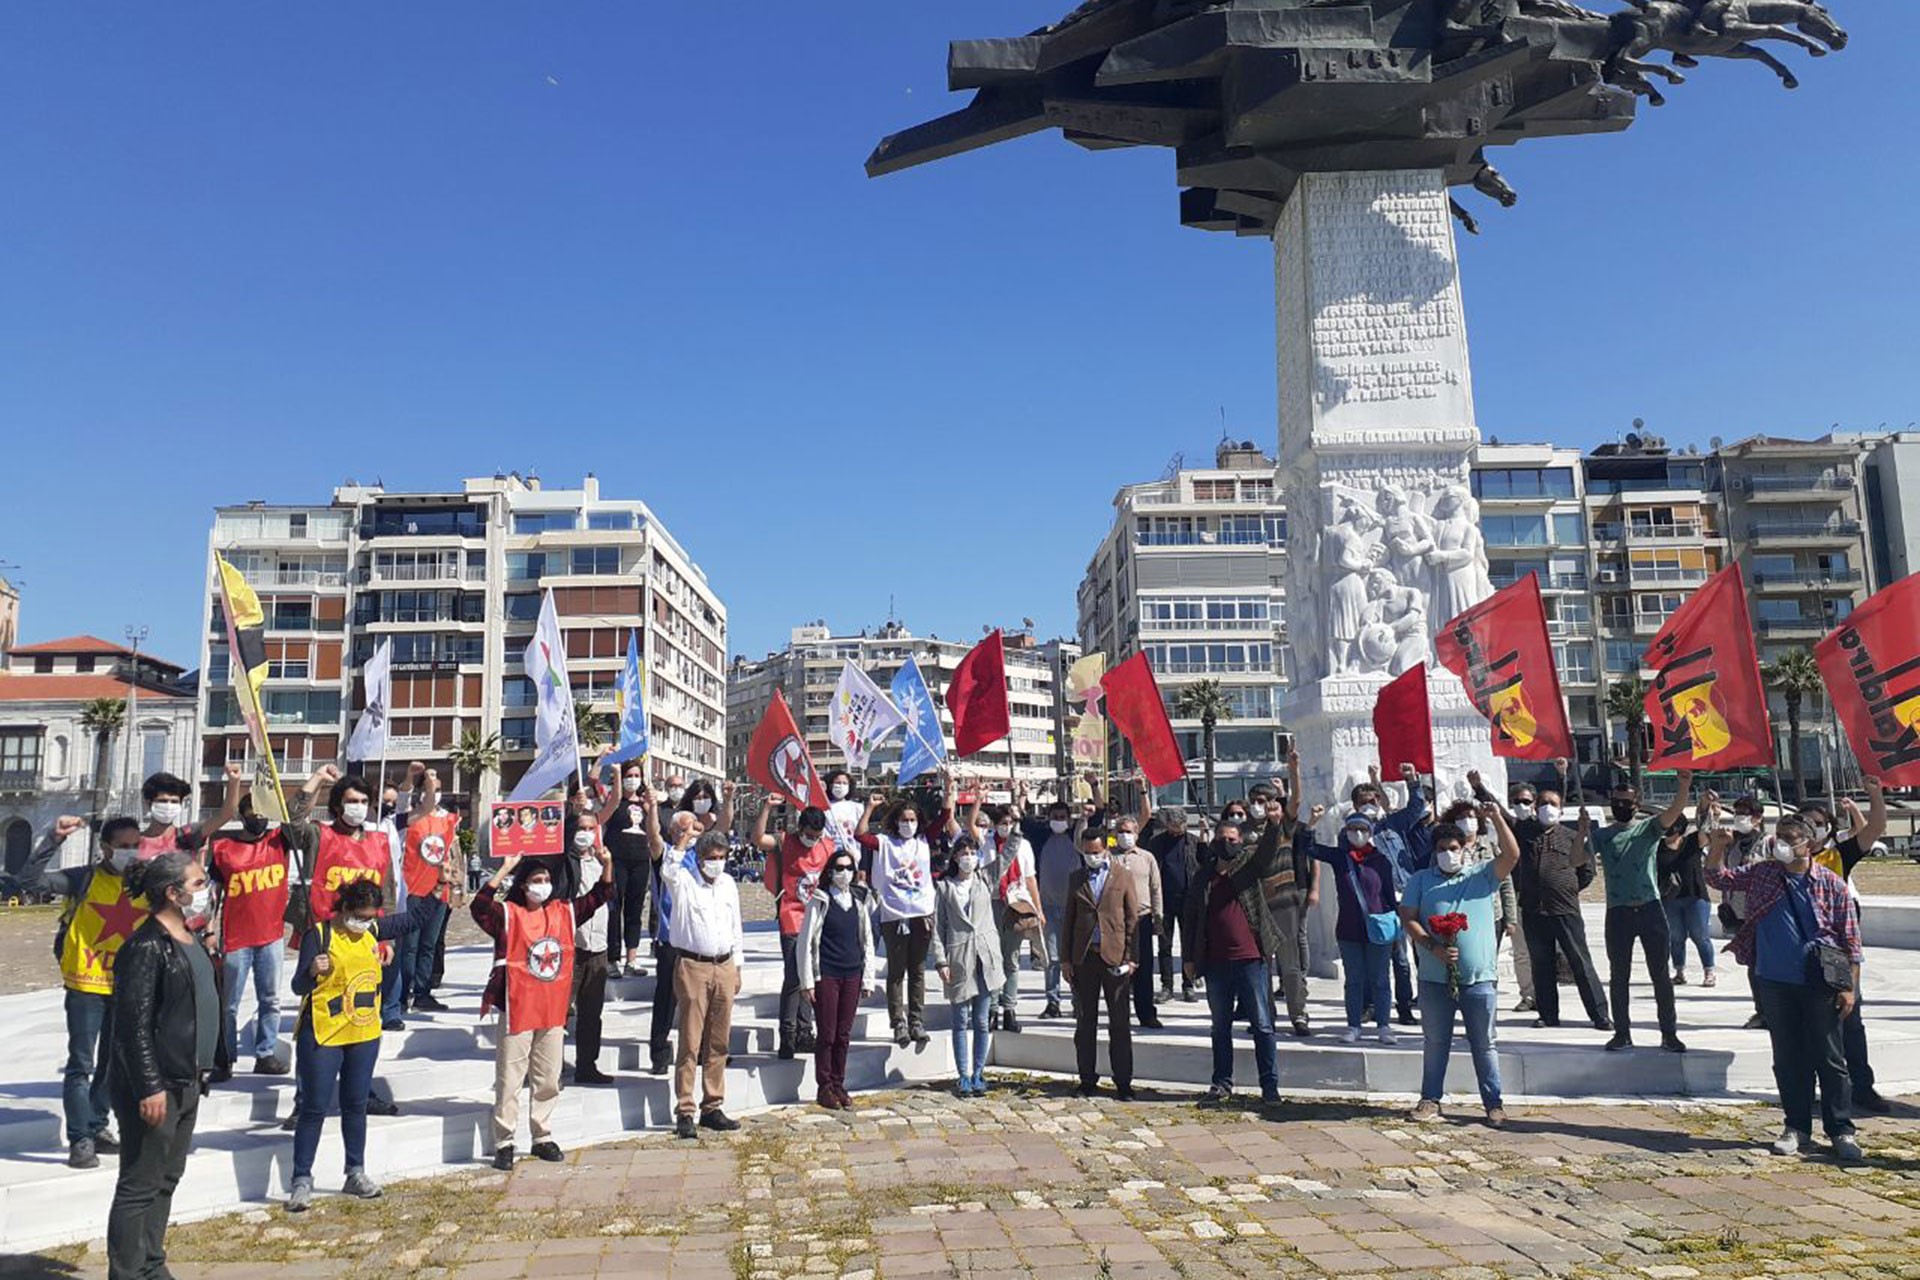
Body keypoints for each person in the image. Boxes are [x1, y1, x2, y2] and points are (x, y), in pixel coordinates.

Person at [1704, 816, 1863, 1162]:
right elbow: (1717, 878)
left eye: (1790, 838)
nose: (1782, 844)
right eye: (1779, 838)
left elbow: (1851, 941)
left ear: (1809, 844)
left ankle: (1841, 1129)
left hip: (1819, 982)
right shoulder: (1764, 874)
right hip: (1774, 980)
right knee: (1788, 1057)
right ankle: (1797, 1126)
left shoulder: (1830, 884)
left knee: (1830, 1058)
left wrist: (1849, 987)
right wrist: (1717, 847)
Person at [287, 873, 444, 1211]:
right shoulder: (320, 935)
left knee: (355, 1103)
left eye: (371, 917)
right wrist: (312, 970)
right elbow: (298, 986)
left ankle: (355, 1171)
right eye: (360, 915)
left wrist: (438, 888)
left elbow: (413, 919)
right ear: (345, 908)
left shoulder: (373, 931)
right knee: (314, 1107)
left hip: (363, 1032)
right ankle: (301, 1178)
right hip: (324, 1032)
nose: (365, 922)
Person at [105, 852, 216, 1280]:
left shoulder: (189, 937)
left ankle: (152, 1263)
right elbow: (132, 1025)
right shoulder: (146, 945)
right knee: (139, 1183)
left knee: (167, 1177)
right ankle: (128, 1271)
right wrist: (149, 1086)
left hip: (188, 1079)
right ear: (173, 893)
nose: (205, 891)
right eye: (198, 883)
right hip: (157, 1086)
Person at [471, 846, 615, 1169]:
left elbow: (599, 896)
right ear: (523, 885)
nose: (542, 884)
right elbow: (479, 907)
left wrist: (607, 864)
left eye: (546, 879)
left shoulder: (562, 912)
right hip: (518, 1006)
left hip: (552, 1009)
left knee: (548, 1076)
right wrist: (505, 869)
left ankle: (542, 1134)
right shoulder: (507, 915)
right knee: (510, 1076)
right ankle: (504, 1140)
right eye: (536, 879)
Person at [22, 813, 141, 1169]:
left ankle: (98, 1124)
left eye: (136, 846)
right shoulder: (83, 878)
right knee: (81, 1064)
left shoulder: (144, 881)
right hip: (86, 984)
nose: (131, 853)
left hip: (126, 986)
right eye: (123, 847)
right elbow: (29, 880)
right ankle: (80, 1139)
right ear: (105, 848)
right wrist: (52, 841)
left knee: (111, 1063)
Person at [1400, 804, 1522, 1128]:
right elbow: (1408, 918)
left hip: (1478, 978)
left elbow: (1511, 856)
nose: (1447, 854)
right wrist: (1431, 946)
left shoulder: (1481, 875)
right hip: (1434, 978)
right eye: (1441, 850)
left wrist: (1495, 818)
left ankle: (1493, 1104)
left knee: (1484, 1043)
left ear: (1464, 848)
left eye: (1453, 849)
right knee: (1436, 1042)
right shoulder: (1421, 880)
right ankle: (1430, 1099)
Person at [209, 775, 325, 1077]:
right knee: (228, 1003)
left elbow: (298, 814)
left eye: (262, 814)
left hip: (270, 935)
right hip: (235, 938)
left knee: (270, 999)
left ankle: (266, 1052)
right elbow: (213, 895)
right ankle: (224, 1057)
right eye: (252, 814)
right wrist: (209, 928)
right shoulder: (223, 849)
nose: (257, 819)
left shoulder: (279, 841)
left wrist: (318, 783)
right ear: (242, 816)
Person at [1183, 815, 1285, 1105]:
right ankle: (1221, 1083)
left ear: (1241, 842)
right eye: (1222, 838)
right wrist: (1189, 958)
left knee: (1262, 1025)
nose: (1227, 843)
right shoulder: (1203, 876)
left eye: (1233, 839)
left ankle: (1270, 1087)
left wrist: (1275, 825)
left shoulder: (1247, 869)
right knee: (1220, 1027)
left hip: (1251, 959)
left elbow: (1266, 853)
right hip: (1215, 962)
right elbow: (1191, 918)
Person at [1807, 778, 1892, 1114]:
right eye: (1805, 824)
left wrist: (1873, 794)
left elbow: (1876, 828)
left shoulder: (1838, 855)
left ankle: (1862, 1087)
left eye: (1817, 825)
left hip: (1836, 953)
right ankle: (1812, 1088)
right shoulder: (1780, 858)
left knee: (1850, 1021)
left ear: (1828, 830)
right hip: (1798, 951)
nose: (1810, 831)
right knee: (1805, 1024)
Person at [1591, 774, 1691, 1053]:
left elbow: (1673, 813)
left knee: (1660, 974)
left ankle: (1669, 1033)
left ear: (1637, 804)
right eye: (1617, 802)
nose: (1621, 806)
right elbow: (1577, 859)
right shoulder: (1602, 835)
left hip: (1650, 908)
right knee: (1618, 974)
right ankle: (1622, 1032)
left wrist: (1683, 787)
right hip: (1618, 911)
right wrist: (1582, 832)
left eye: (1627, 802)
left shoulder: (1648, 829)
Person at [1506, 783, 1609, 1031]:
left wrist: (1566, 888)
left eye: (1552, 804)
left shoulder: (1572, 837)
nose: (1546, 808)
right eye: (1542, 804)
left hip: (1565, 909)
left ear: (1561, 811)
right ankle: (1547, 1014)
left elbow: (1586, 872)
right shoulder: (1525, 833)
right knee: (1541, 964)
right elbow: (1502, 816)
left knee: (1580, 962)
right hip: (1533, 910)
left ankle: (1600, 1015)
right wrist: (1480, 789)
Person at [663, 831, 746, 1139]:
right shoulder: (684, 881)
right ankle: (685, 1109)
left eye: (721, 858)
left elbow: (735, 925)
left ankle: (712, 1105)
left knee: (719, 1040)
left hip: (723, 964)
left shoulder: (728, 884)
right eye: (711, 858)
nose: (717, 864)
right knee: (690, 1040)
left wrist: (737, 966)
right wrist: (682, 843)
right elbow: (667, 871)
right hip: (693, 965)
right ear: (699, 860)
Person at [1306, 809, 1401, 1045]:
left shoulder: (1380, 860)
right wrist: (1312, 824)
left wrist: (1395, 926)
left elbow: (1389, 894)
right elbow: (1309, 848)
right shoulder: (1341, 858)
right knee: (1354, 980)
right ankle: (1353, 1025)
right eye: (1353, 829)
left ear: (1369, 832)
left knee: (1380, 979)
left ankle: (1384, 1025)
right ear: (1345, 832)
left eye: (1362, 829)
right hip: (1349, 929)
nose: (1358, 834)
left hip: (1378, 929)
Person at [1060, 827, 1142, 1099]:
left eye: (1096, 852)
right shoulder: (1075, 878)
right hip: (1085, 957)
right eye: (1087, 853)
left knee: (1119, 1022)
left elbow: (1132, 919)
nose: (1092, 857)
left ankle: (1123, 1081)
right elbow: (1068, 921)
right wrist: (1066, 959)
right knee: (1085, 1022)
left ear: (1105, 849)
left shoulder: (1122, 875)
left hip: (1115, 956)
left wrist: (1131, 958)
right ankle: (1086, 1078)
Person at [752, 795, 834, 1059]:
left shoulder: (828, 847)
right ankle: (787, 1034)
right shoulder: (785, 842)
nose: (813, 839)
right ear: (800, 829)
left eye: (817, 834)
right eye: (809, 834)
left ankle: (805, 1031)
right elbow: (758, 839)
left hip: (819, 922)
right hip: (792, 916)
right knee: (793, 978)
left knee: (812, 978)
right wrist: (767, 808)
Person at [796, 847, 877, 1110]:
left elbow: (867, 941)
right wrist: (807, 980)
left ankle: (839, 1083)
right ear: (830, 871)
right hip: (827, 974)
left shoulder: (858, 901)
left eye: (848, 868)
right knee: (827, 1034)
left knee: (843, 1034)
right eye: (839, 868)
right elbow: (806, 943)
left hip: (852, 973)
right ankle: (825, 1086)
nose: (844, 873)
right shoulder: (820, 901)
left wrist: (868, 978)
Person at [1349, 764, 1427, 1026]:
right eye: (1364, 802)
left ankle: (1405, 1007)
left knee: (1402, 960)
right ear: (1356, 806)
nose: (1370, 804)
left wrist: (1412, 780)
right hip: (1374, 904)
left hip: (1403, 898)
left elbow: (1416, 807)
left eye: (1374, 800)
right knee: (1374, 960)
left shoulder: (1392, 824)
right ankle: (1370, 1006)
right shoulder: (1352, 834)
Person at [857, 793, 936, 1049]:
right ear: (896, 822)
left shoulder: (923, 841)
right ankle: (898, 1023)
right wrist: (870, 808)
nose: (909, 824)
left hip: (921, 914)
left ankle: (916, 1021)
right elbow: (860, 836)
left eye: (913, 820)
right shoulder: (886, 843)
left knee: (918, 970)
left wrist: (949, 791)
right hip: (894, 915)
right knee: (896, 971)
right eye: (904, 820)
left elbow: (945, 817)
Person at [931, 833, 1004, 1098]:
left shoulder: (985, 878)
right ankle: (963, 1075)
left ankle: (978, 1072)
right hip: (959, 957)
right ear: (955, 857)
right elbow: (938, 927)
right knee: (960, 1020)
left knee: (982, 1021)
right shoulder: (944, 887)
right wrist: (940, 961)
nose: (968, 858)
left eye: (973, 853)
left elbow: (1007, 856)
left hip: (985, 956)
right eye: (963, 853)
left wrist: (1015, 822)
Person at [644, 802, 702, 1076]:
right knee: (666, 998)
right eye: (689, 828)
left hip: (696, 938)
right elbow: (653, 837)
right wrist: (653, 807)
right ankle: (659, 1052)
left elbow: (723, 828)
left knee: (698, 999)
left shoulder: (702, 856)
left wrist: (726, 802)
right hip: (669, 937)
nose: (694, 832)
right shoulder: (665, 854)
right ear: (676, 830)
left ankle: (699, 1050)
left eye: (696, 827)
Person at [978, 800, 1044, 1032]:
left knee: (1012, 959)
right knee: (993, 958)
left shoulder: (1023, 845)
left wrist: (1038, 908)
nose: (1007, 826)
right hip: (993, 902)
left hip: (1016, 903)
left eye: (1011, 822)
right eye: (1003, 822)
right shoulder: (985, 843)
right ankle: (992, 1009)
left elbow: (1030, 878)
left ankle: (1010, 1008)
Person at [1021, 789, 1087, 1020]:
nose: (1058, 821)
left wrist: (1094, 791)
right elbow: (1023, 818)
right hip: (1049, 907)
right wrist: (1019, 795)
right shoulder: (1041, 838)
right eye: (1055, 817)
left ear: (1069, 819)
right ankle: (1053, 1002)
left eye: (1062, 817)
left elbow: (1098, 813)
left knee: (1077, 958)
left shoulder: (1077, 837)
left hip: (1076, 907)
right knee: (1052, 959)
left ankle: (1079, 1002)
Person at [398, 770, 459, 1014]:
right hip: (413, 890)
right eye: (430, 787)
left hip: (438, 892)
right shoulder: (411, 819)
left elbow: (454, 857)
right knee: (409, 945)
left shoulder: (449, 821)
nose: (434, 790)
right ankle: (402, 994)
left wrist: (455, 887)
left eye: (437, 787)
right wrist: (419, 780)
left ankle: (423, 992)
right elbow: (405, 798)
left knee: (429, 945)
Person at [596, 756, 656, 978]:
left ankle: (632, 959)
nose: (633, 779)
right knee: (614, 909)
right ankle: (612, 960)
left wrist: (653, 807)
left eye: (636, 776)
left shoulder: (645, 802)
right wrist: (607, 763)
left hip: (640, 860)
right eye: (628, 775)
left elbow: (654, 831)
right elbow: (594, 779)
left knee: (635, 910)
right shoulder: (612, 800)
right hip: (617, 859)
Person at [569, 815, 616, 1085]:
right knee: (560, 1012)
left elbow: (609, 894)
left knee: (591, 1013)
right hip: (572, 945)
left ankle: (587, 1064)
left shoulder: (601, 862)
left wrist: (607, 863)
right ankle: (546, 1069)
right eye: (581, 828)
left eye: (590, 829)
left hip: (598, 945)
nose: (585, 833)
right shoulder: (564, 862)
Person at [1111, 813, 1164, 1029]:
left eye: (1129, 832)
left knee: (1143, 969)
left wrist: (1158, 917)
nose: (1125, 836)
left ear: (1137, 833)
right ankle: (1119, 1014)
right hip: (1116, 921)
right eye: (1121, 831)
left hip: (1142, 919)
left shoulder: (1146, 858)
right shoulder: (1109, 857)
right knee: (1118, 970)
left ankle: (1147, 1014)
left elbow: (1156, 888)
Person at [1141, 803, 1197, 1004]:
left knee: (1188, 944)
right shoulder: (1157, 843)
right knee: (1164, 945)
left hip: (1188, 900)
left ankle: (1188, 984)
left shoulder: (1193, 842)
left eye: (1180, 825)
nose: (1177, 828)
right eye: (1173, 824)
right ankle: (1167, 986)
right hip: (1164, 900)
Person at [1658, 804, 1716, 989]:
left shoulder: (1691, 842)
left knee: (1700, 935)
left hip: (1695, 895)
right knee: (1676, 936)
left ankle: (1709, 971)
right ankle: (1679, 971)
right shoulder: (1657, 846)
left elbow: (1706, 831)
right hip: (1669, 898)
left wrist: (1708, 809)